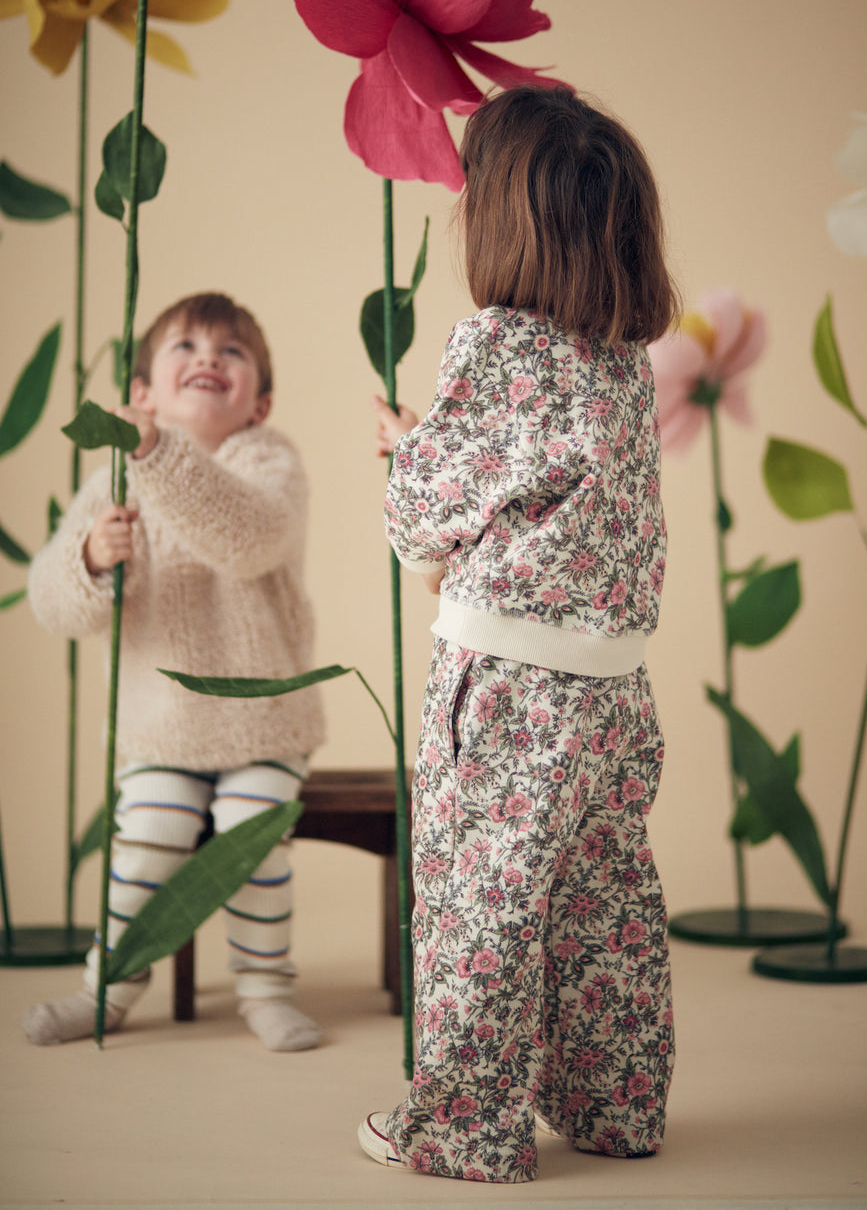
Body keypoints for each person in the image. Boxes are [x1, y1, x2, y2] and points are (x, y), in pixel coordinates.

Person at [359, 86, 680, 1182]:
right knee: (603, 903)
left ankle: (460, 1126)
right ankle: (613, 1104)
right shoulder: (623, 368)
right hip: (616, 696)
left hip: (507, 688)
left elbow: (420, 523)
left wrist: (407, 456)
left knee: (482, 902)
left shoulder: (498, 348)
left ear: (501, 224)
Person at [23, 292, 325, 1052]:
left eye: (231, 352)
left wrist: (161, 454)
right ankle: (110, 988)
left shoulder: (267, 461)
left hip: (263, 723)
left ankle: (264, 987)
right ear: (142, 396)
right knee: (150, 835)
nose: (208, 359)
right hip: (160, 728)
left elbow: (252, 536)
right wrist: (89, 559)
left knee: (249, 836)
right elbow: (52, 603)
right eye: (185, 347)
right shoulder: (111, 487)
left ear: (260, 403)